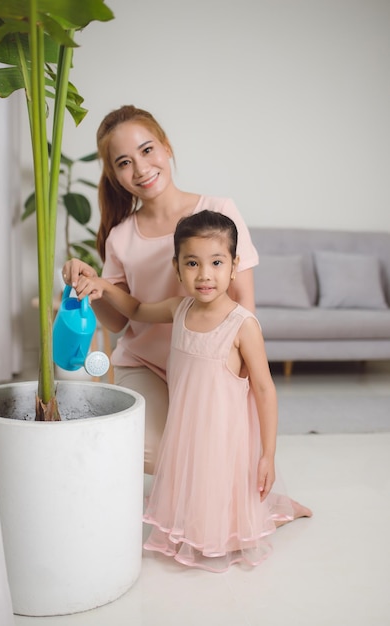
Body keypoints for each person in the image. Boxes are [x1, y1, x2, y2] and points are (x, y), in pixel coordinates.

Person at [74, 210, 312, 572]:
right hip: (187, 430)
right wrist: (104, 286)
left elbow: (264, 389)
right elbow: (136, 309)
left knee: (230, 527)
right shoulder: (179, 308)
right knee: (191, 507)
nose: (204, 275)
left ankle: (280, 512)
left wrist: (268, 454)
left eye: (216, 262)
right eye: (192, 263)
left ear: (234, 266)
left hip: (224, 436)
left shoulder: (242, 326)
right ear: (176, 267)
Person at [62, 104, 259, 475]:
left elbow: (245, 304)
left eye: (147, 150)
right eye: (123, 162)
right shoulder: (120, 237)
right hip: (147, 365)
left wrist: (239, 377)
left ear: (166, 147)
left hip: (211, 364)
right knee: (155, 453)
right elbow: (120, 321)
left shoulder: (219, 211)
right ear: (115, 175)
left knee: (213, 456)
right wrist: (90, 286)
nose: (140, 168)